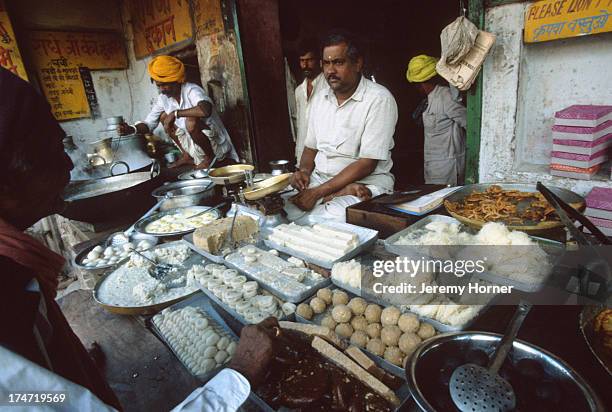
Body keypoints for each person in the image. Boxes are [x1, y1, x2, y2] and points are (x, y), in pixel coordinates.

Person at [0, 68, 275, 412]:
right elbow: (34, 397)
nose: (69, 168)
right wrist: (238, 374)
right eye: (54, 151)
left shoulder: (16, 279)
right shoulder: (7, 312)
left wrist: (66, 371)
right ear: (8, 182)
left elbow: (43, 392)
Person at [285, 32, 398, 223]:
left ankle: (335, 196)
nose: (330, 70)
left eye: (338, 62)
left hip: (366, 182)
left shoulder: (378, 99)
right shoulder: (321, 99)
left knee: (332, 219)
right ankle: (333, 196)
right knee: (282, 207)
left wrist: (318, 193)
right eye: (326, 63)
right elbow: (310, 148)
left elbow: (367, 164)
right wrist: (304, 172)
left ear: (358, 63)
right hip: (321, 180)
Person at [119, 55, 238, 169]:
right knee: (163, 116)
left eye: (164, 85)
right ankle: (186, 155)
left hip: (214, 144)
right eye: (159, 86)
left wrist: (175, 113)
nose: (161, 90)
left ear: (176, 81)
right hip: (193, 144)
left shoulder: (191, 90)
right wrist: (131, 129)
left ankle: (209, 158)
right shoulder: (163, 99)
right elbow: (148, 124)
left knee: (190, 121)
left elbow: (205, 110)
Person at [407, 54, 467, 185]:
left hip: (448, 168)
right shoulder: (428, 99)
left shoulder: (446, 97)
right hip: (432, 167)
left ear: (421, 84)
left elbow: (468, 123)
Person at [294, 37, 325, 162]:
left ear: (319, 61)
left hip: (323, 155)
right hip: (303, 154)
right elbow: (300, 126)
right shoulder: (299, 91)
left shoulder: (328, 87)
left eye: (310, 60)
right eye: (302, 61)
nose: (305, 65)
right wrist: (298, 153)